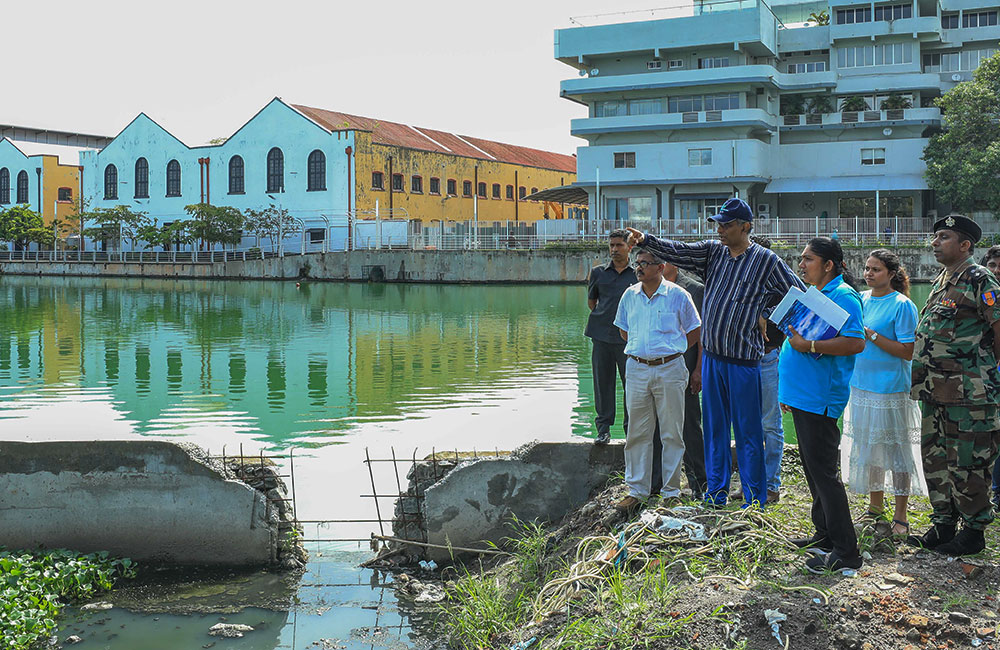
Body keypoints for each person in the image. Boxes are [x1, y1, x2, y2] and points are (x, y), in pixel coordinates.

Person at [626, 198, 805, 508]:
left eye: (726, 225)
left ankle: (754, 496)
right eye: (718, 225)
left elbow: (798, 297)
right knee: (715, 428)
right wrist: (647, 241)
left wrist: (767, 313)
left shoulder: (766, 261)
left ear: (745, 227)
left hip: (743, 361)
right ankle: (716, 492)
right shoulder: (713, 252)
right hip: (712, 359)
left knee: (748, 431)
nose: (720, 230)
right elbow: (679, 251)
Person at [908, 215, 1000, 556]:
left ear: (965, 245)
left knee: (969, 462)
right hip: (935, 391)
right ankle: (943, 525)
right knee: (935, 459)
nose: (935, 242)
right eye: (935, 237)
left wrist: (993, 378)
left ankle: (973, 532)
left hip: (969, 394)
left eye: (943, 237)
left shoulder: (981, 278)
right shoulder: (942, 280)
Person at [779, 237, 866, 574]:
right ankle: (824, 535)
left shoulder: (844, 296)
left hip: (820, 398)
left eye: (808, 259)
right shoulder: (816, 295)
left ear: (828, 264)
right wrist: (789, 390)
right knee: (813, 471)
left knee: (826, 475)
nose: (802, 265)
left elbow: (856, 342)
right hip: (802, 396)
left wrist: (810, 343)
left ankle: (847, 551)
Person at [841, 249, 924, 538]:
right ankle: (875, 508)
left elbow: (907, 350)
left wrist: (871, 335)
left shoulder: (902, 305)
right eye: (866, 268)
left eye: (875, 269)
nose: (868, 273)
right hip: (861, 384)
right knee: (869, 447)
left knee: (897, 449)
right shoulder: (860, 299)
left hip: (890, 389)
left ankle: (901, 514)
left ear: (891, 273)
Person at [612, 249, 701, 510]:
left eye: (645, 264)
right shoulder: (630, 295)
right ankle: (637, 491)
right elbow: (623, 329)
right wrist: (644, 352)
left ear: (660, 267)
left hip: (670, 368)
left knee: (672, 431)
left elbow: (695, 330)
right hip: (637, 368)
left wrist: (672, 350)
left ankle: (671, 491)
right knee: (637, 432)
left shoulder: (678, 295)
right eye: (637, 263)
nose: (639, 268)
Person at [652, 262, 707, 500]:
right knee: (655, 427)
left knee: (689, 426)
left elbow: (703, 333)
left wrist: (698, 369)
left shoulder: (694, 289)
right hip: (655, 368)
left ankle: (699, 484)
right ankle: (657, 485)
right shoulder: (648, 288)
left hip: (685, 367)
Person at [586, 229, 636, 445]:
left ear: (629, 247)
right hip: (601, 336)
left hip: (629, 339)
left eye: (619, 245)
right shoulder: (598, 272)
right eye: (612, 245)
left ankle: (630, 431)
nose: (614, 250)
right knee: (602, 384)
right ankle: (603, 430)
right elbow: (592, 302)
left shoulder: (637, 274)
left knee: (631, 386)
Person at [751, 235, 785, 504]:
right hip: (738, 361)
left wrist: (767, 312)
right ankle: (751, 482)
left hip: (767, 358)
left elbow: (798, 308)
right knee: (744, 424)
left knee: (770, 424)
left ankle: (772, 484)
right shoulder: (739, 281)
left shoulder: (780, 286)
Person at [984, 245, 1000, 512]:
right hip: (987, 374)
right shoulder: (982, 296)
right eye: (993, 265)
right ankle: (996, 492)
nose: (997, 271)